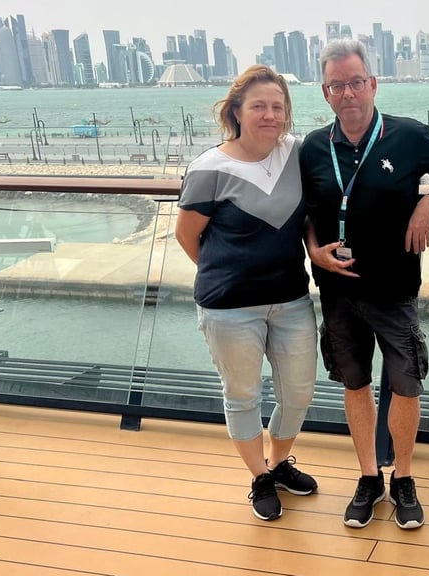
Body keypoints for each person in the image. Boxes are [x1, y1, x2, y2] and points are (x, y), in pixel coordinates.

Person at [299, 39, 429, 530]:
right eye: (337, 85)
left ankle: (405, 479)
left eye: (356, 82)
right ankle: (369, 476)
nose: (348, 92)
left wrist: (427, 201)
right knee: (355, 384)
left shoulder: (408, 136)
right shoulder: (313, 147)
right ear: (326, 92)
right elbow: (306, 213)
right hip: (336, 292)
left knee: (406, 384)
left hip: (394, 289)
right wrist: (313, 250)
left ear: (373, 84)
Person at [175, 64, 319, 522]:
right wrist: (229, 274)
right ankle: (259, 476)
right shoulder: (209, 167)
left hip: (293, 300)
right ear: (236, 111)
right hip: (229, 309)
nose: (270, 114)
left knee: (297, 393)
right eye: (259, 106)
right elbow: (187, 236)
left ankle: (278, 465)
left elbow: (313, 216)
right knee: (242, 396)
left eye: (278, 106)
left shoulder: (297, 154)